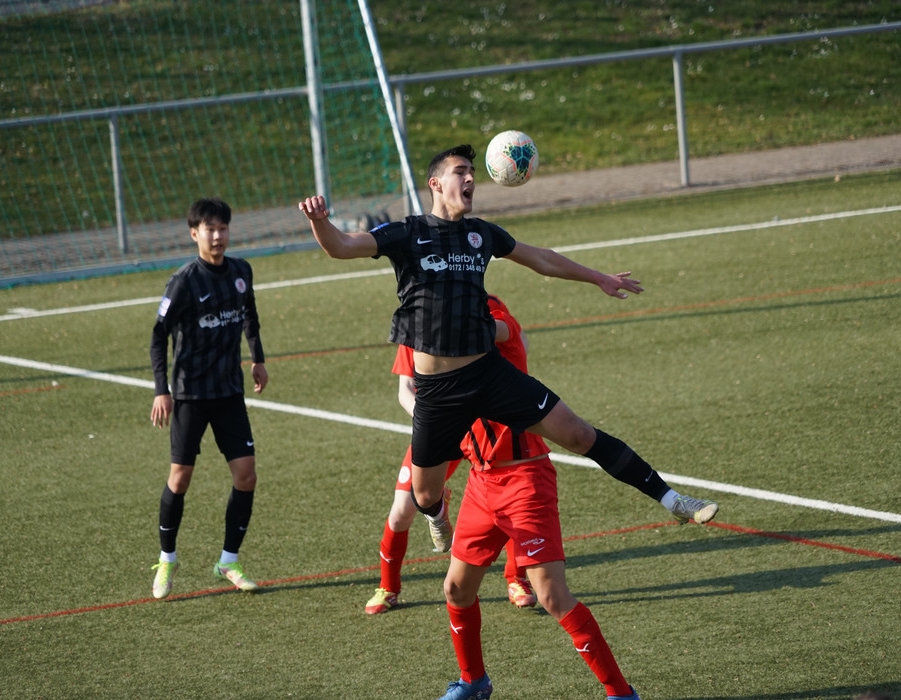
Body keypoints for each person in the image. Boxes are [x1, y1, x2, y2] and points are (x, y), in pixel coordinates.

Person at [297, 143, 717, 546]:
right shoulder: (407, 233)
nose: (470, 179)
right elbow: (341, 246)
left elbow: (542, 258)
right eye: (460, 172)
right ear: (435, 184)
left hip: (489, 374)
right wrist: (319, 221)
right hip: (437, 392)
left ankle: (672, 499)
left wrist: (599, 278)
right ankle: (438, 515)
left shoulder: (482, 234)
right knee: (423, 495)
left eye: (472, 173)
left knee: (577, 434)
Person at [440, 294, 639, 700]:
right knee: (457, 589)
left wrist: (437, 328)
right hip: (481, 481)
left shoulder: (491, 314)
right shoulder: (434, 322)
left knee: (551, 596)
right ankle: (473, 682)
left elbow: (497, 332)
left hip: (524, 479)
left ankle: (621, 693)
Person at [365, 296, 538, 616]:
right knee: (402, 510)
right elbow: (405, 389)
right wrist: (432, 423)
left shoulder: (486, 307)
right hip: (442, 427)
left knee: (510, 501)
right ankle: (388, 586)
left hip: (487, 429)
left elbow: (519, 341)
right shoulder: (416, 319)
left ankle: (517, 579)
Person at [148, 197, 269, 599]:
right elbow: (158, 335)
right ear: (194, 234)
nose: (217, 236)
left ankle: (228, 561)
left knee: (246, 475)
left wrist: (257, 359)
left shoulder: (241, 271)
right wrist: (162, 390)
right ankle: (167, 559)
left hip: (229, 391)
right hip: (190, 394)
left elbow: (249, 313)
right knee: (180, 478)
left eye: (223, 228)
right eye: (209, 229)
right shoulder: (183, 282)